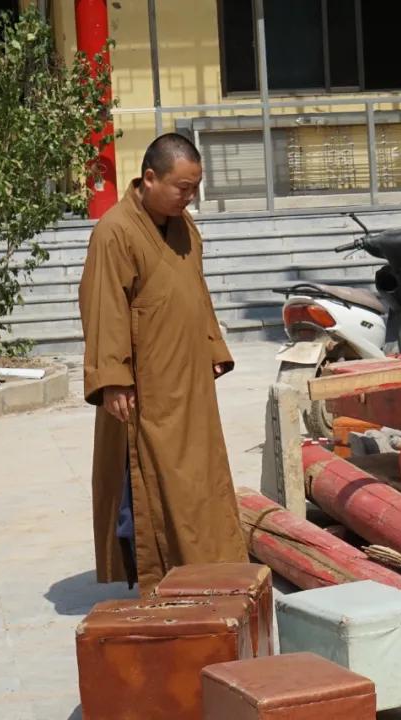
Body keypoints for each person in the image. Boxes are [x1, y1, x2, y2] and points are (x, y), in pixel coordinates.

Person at [79, 133, 247, 596]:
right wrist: (112, 379)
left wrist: (213, 347)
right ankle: (155, 573)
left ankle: (206, 569)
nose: (188, 196)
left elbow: (196, 289)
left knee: (201, 480)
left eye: (194, 187)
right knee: (147, 480)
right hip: (145, 387)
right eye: (180, 187)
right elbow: (103, 308)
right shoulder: (115, 231)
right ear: (149, 178)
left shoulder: (183, 225)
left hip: (189, 378)